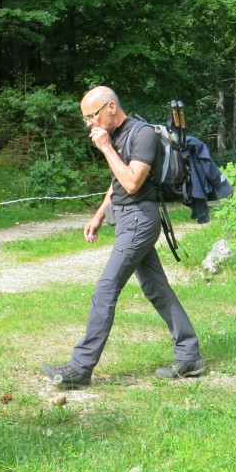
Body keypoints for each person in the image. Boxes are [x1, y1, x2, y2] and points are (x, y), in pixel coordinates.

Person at [40, 86, 205, 387]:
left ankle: (80, 368)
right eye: (86, 119)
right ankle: (189, 354)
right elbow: (116, 181)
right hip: (128, 219)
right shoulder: (117, 136)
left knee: (105, 289)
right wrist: (99, 215)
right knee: (157, 289)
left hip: (140, 221)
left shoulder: (142, 134)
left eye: (91, 116)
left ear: (111, 107)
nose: (89, 123)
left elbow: (131, 183)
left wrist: (105, 148)